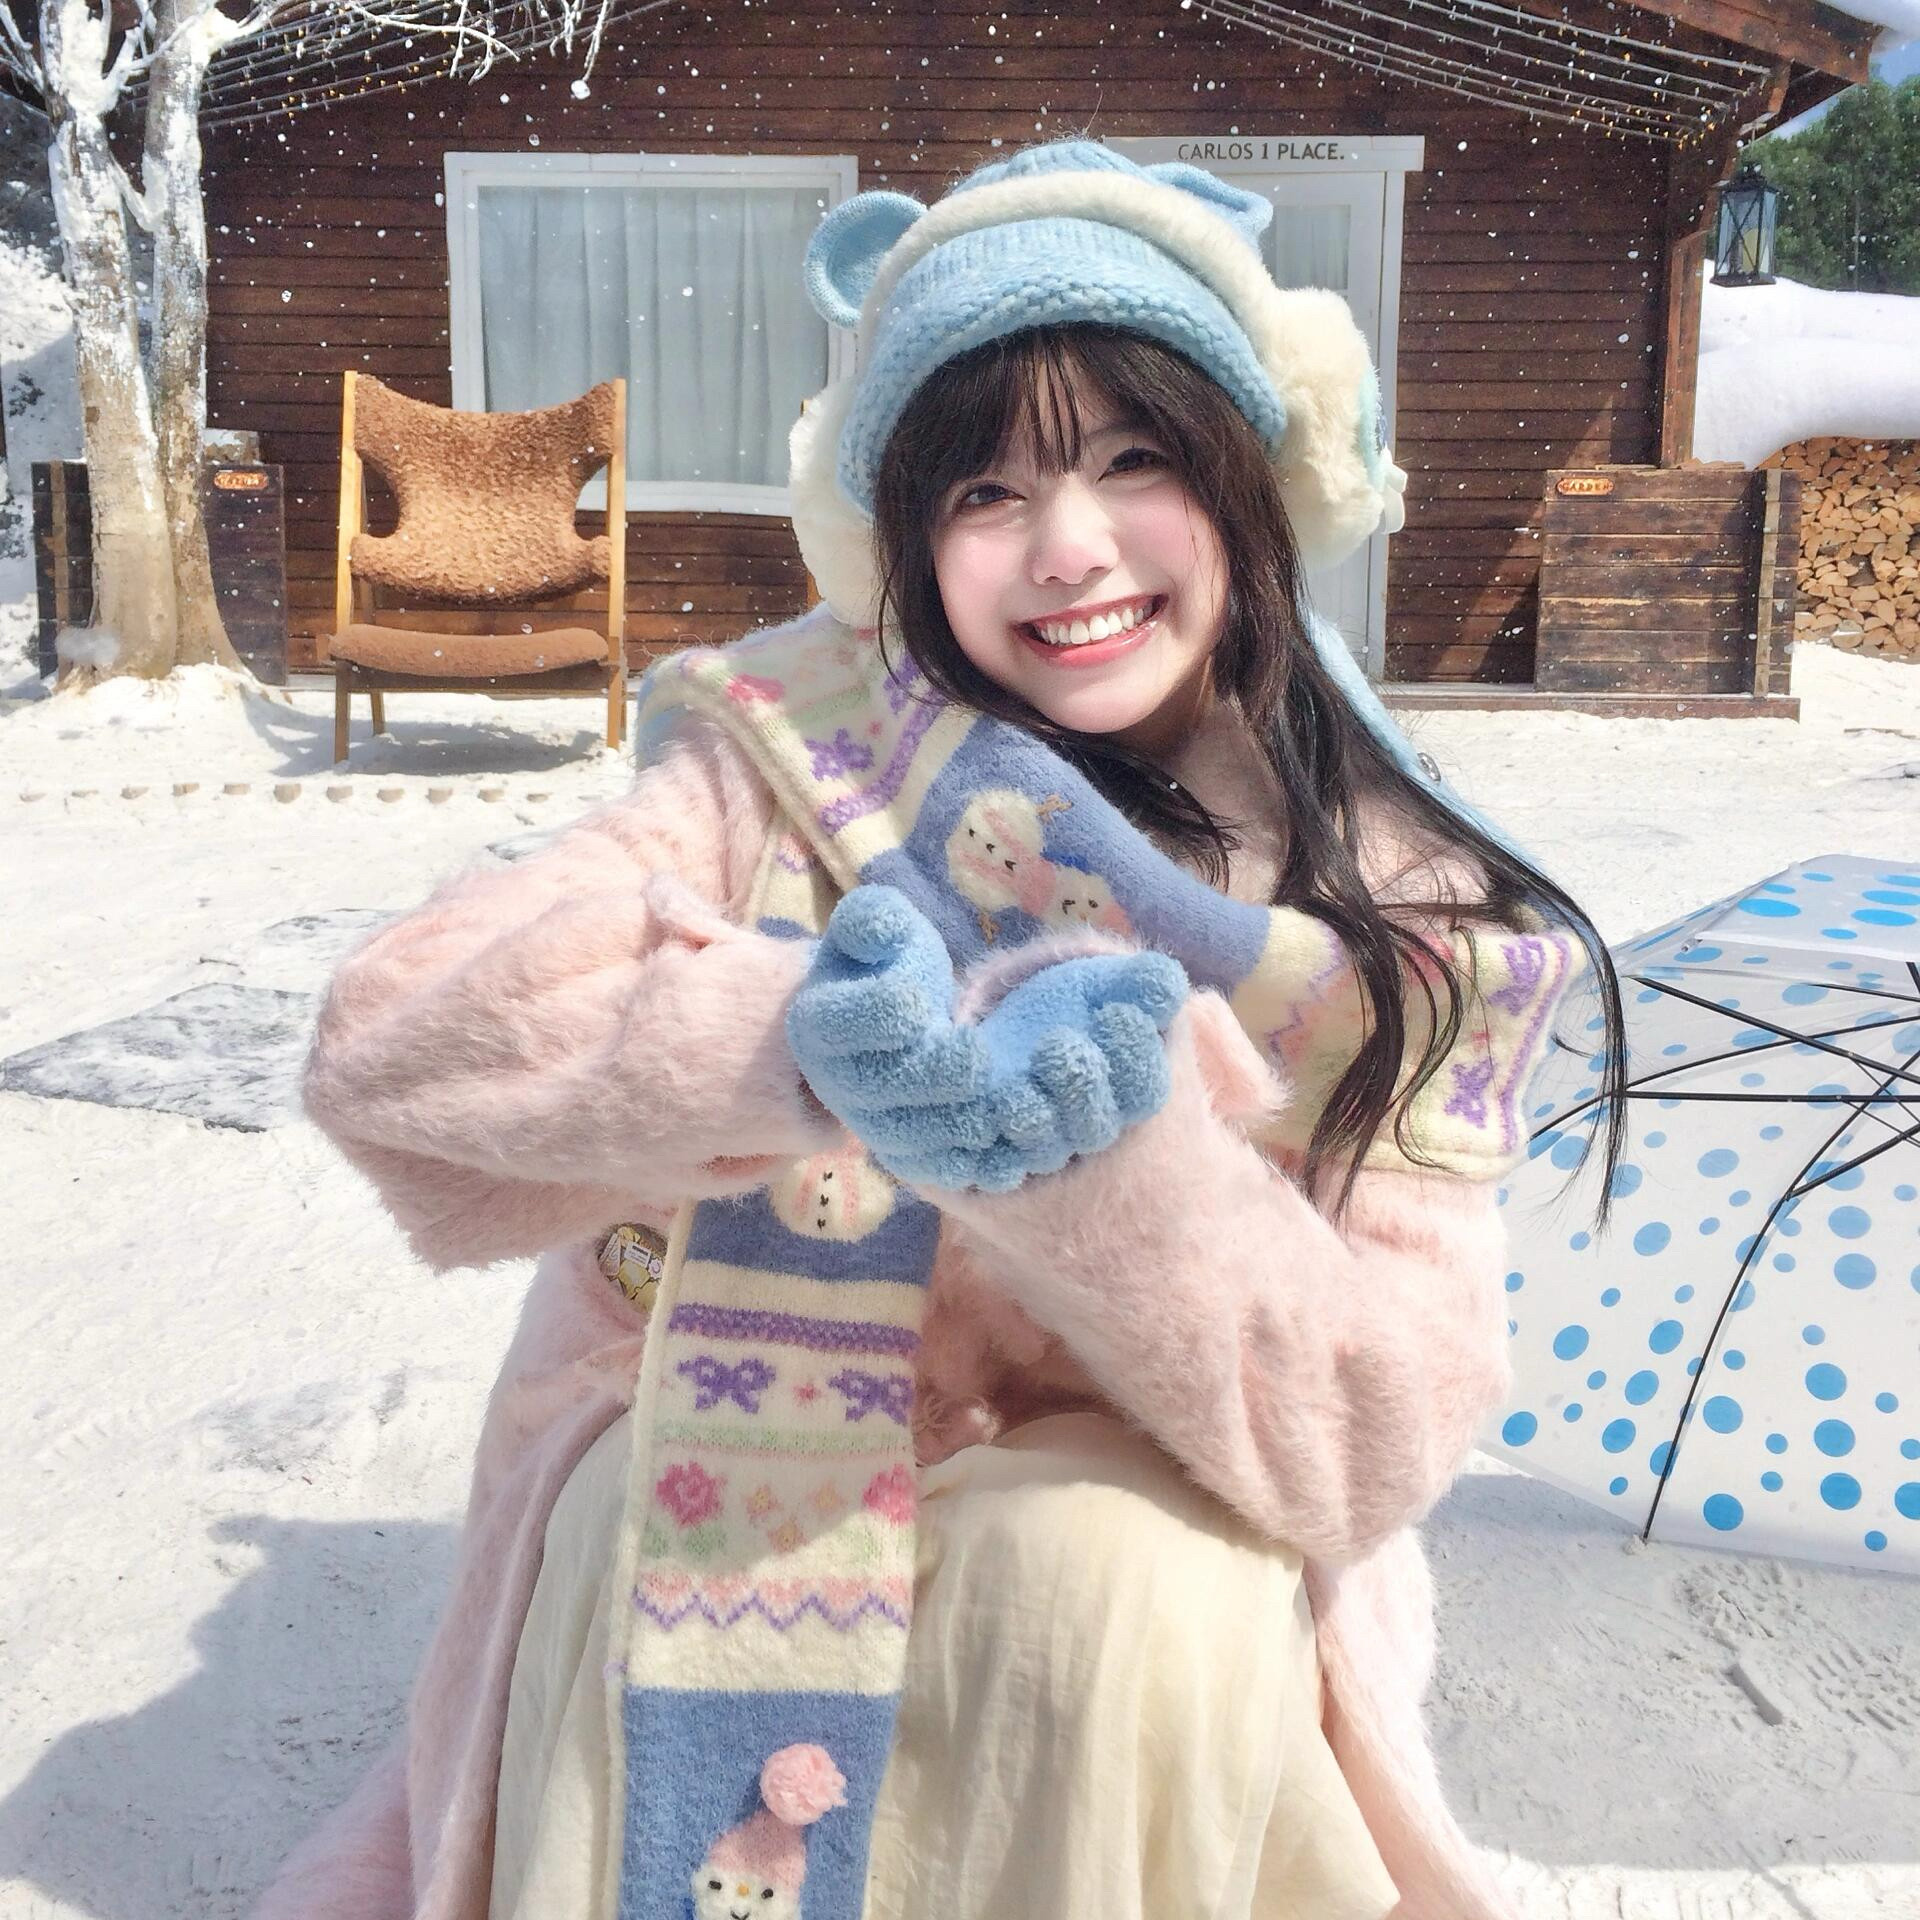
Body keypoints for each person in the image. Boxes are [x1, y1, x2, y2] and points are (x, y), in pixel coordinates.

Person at [253, 140, 1624, 1920]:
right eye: (987, 489)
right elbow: (394, 1044)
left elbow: (1369, 1447)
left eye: (1135, 461)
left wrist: (1103, 1165)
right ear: (907, 538)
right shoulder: (791, 750)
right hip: (729, 1384)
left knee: (1106, 1595)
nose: (1069, 549)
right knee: (667, 1533)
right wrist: (797, 1042)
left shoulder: (1396, 917)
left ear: (1249, 484)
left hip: (1157, 1455)